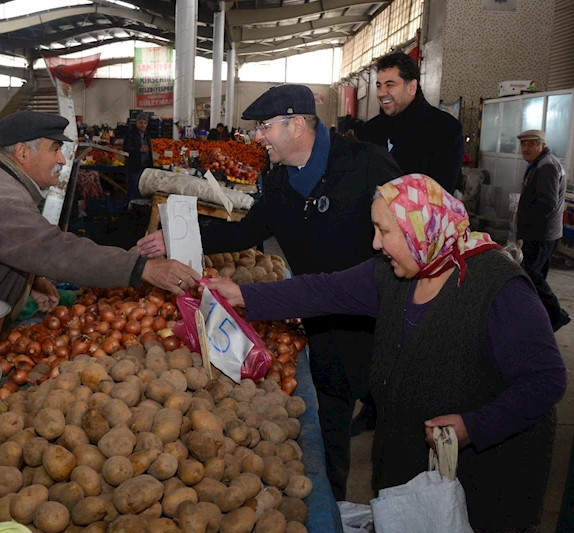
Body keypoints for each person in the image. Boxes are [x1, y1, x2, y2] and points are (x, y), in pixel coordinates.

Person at [208, 174, 566, 533]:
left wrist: (474, 426)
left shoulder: (500, 288)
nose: (376, 243)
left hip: (486, 474)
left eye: (384, 231)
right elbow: (323, 290)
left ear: (419, 230)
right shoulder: (393, 274)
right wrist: (244, 295)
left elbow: (546, 380)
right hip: (410, 457)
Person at [137, 84, 402, 500]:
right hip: (323, 318)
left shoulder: (366, 164)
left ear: (296, 125)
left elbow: (410, 231)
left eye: (264, 127)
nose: (257, 137)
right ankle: (336, 504)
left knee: (395, 428)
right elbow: (246, 230)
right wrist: (180, 238)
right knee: (332, 420)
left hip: (382, 318)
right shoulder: (278, 182)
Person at [0, 110, 200, 315]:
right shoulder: (0, 200)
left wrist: (31, 279)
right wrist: (143, 269)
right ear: (22, 152)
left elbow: (12, 246)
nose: (63, 159)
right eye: (55, 148)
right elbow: (56, 250)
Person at [359, 52, 463, 193]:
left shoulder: (444, 129)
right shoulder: (370, 130)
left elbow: (439, 195)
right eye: (378, 86)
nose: (382, 93)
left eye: (390, 85)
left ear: (411, 87)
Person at [516, 128, 570, 331]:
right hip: (543, 232)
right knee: (537, 274)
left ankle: (556, 315)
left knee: (531, 275)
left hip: (540, 233)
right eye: (523, 144)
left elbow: (546, 203)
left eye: (531, 144)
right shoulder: (540, 163)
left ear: (542, 145)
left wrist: (528, 226)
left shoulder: (546, 166)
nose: (526, 148)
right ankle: (539, 317)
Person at [123, 112, 153, 202]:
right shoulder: (130, 134)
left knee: (142, 189)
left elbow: (150, 150)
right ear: (136, 123)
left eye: (145, 123)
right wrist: (139, 149)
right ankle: (130, 208)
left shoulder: (147, 135)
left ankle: (139, 208)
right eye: (140, 122)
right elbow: (126, 148)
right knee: (133, 189)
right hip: (134, 166)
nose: (143, 125)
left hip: (145, 166)